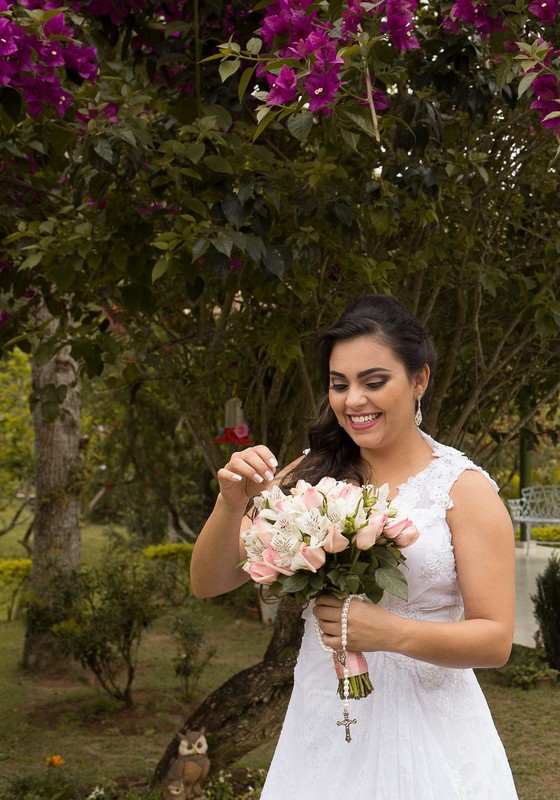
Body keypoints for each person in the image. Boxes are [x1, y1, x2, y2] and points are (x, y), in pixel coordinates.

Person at [191, 295, 518, 799]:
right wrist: (230, 505)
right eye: (339, 384)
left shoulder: (463, 489)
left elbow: (495, 641)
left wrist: (390, 632)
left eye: (374, 381)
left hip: (428, 736)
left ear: (419, 380)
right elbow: (209, 582)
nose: (353, 401)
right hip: (323, 722)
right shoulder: (310, 474)